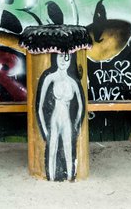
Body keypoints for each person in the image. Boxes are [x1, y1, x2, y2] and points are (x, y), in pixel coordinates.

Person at [38, 52, 84, 180]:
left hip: (67, 120)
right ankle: (51, 177)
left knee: (69, 151)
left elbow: (80, 105)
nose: (63, 61)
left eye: (66, 58)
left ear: (70, 61)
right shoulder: (50, 78)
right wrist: (44, 128)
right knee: (51, 150)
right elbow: (40, 106)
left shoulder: (73, 82)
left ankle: (70, 177)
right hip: (54, 118)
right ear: (55, 58)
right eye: (60, 57)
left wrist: (76, 124)